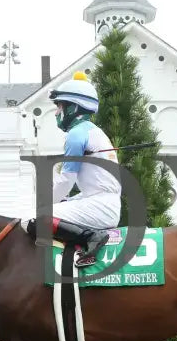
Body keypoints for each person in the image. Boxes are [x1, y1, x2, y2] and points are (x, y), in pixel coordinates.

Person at [26, 71, 122, 266]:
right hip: (103, 204)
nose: (56, 112)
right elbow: (97, 187)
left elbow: (66, 181)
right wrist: (70, 199)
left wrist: (42, 205)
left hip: (100, 208)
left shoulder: (76, 135)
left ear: (73, 107)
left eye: (59, 106)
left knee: (33, 219)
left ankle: (91, 239)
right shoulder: (94, 132)